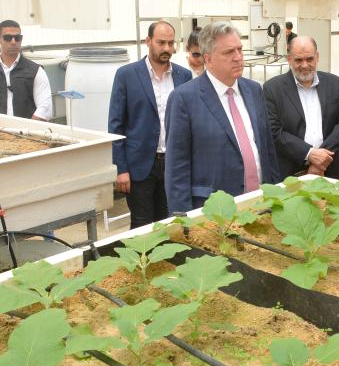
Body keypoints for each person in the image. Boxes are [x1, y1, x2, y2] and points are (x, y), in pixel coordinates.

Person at [165, 21, 280, 213]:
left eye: (240, 50)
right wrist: (183, 223)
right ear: (208, 59)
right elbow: (177, 169)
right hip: (213, 212)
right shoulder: (184, 99)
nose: (238, 58)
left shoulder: (253, 90)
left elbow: (268, 150)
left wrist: (276, 197)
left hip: (261, 205)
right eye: (229, 52)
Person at [108, 20, 192, 229]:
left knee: (170, 222)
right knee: (141, 225)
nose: (166, 48)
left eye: (171, 43)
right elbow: (115, 125)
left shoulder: (184, 76)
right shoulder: (127, 75)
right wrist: (120, 168)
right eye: (161, 42)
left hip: (174, 163)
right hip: (140, 165)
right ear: (148, 41)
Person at [263, 36, 339, 179]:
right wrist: (309, 154)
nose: (304, 65)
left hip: (330, 169)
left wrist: (321, 160)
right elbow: (274, 131)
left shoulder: (333, 83)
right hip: (292, 173)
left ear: (317, 57)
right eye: (298, 60)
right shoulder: (272, 88)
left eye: (309, 59)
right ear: (289, 59)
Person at [0, 19, 52, 120]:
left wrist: (26, 131)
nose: (13, 42)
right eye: (7, 38)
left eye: (17, 38)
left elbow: (45, 109)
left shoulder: (36, 71)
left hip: (26, 132)